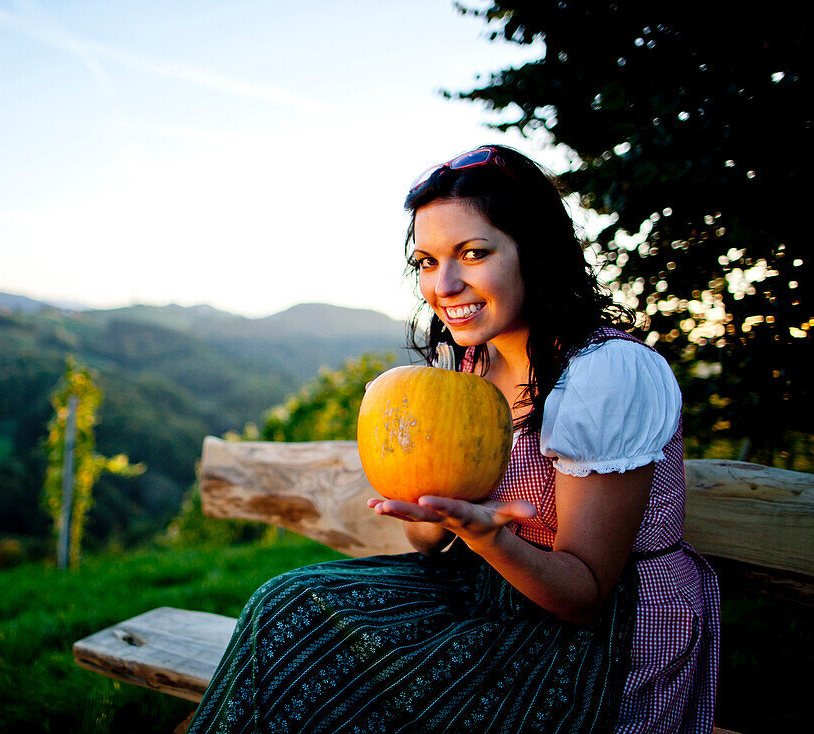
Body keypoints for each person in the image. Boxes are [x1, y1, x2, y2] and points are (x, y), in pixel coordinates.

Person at [186, 145, 719, 734]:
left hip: (595, 638)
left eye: (473, 253)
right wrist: (426, 499)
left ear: (535, 253)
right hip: (485, 593)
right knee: (287, 606)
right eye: (426, 261)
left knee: (337, 677)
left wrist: (485, 535)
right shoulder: (465, 369)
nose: (444, 284)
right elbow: (427, 539)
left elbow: (585, 594)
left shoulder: (605, 373)